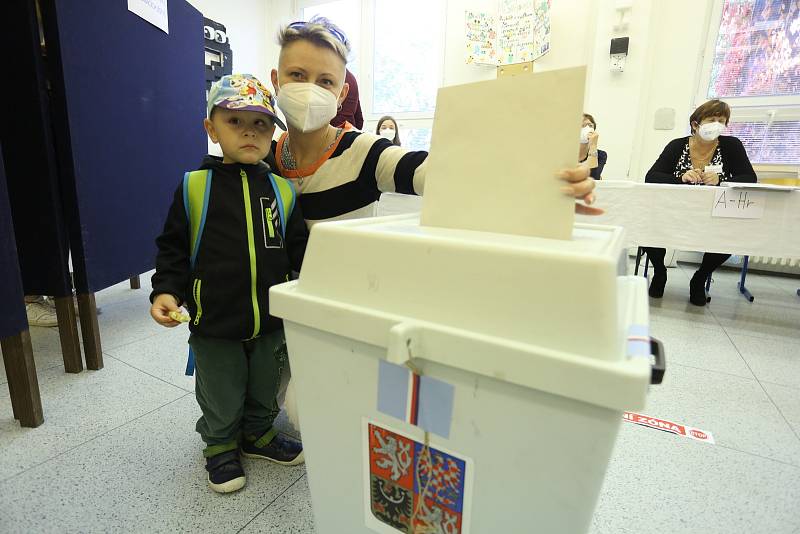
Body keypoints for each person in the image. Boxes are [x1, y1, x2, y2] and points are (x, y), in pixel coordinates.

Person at [269, 17, 600, 229]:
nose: (310, 89)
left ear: (341, 95)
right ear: (276, 81)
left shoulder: (364, 152)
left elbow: (447, 174)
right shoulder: (260, 156)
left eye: (325, 81)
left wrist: (541, 185)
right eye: (297, 75)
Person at [149, 74, 308, 494]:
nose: (249, 133)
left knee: (265, 385)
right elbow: (172, 250)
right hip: (214, 320)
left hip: (271, 320)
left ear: (274, 132)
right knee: (221, 390)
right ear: (211, 129)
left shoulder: (283, 192)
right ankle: (220, 444)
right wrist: (166, 290)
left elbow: (300, 252)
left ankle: (258, 434)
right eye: (235, 121)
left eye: (260, 124)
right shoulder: (194, 187)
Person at [642, 99, 756, 306]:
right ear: (695, 124)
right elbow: (652, 176)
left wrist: (721, 180)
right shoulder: (677, 145)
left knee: (732, 236)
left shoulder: (732, 146)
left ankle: (701, 277)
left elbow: (750, 178)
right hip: (674, 211)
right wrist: (680, 178)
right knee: (648, 226)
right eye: (712, 119)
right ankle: (659, 272)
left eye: (722, 121)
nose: (717, 124)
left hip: (715, 214)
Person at [579, 113, 606, 180]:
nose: (588, 129)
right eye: (583, 125)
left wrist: (593, 145)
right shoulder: (566, 153)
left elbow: (593, 178)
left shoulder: (601, 155)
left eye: (590, 126)